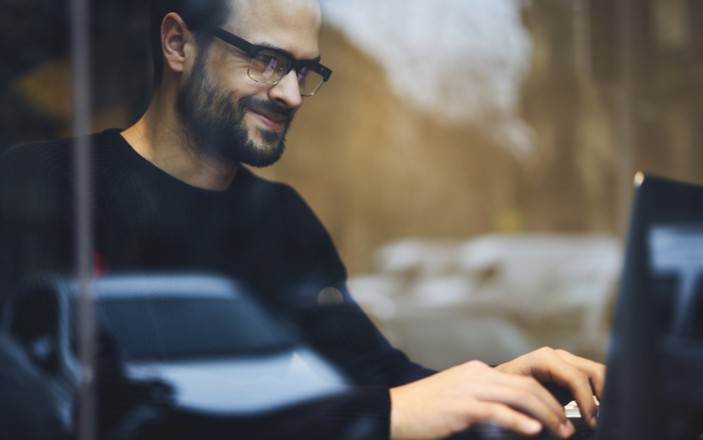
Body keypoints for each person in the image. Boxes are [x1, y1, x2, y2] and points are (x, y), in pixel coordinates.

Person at [0, 0, 604, 438]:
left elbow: (372, 375)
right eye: (266, 61)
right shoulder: (44, 185)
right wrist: (380, 417)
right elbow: (92, 413)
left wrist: (499, 386)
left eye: (304, 70)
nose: (291, 94)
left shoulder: (283, 220)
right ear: (179, 44)